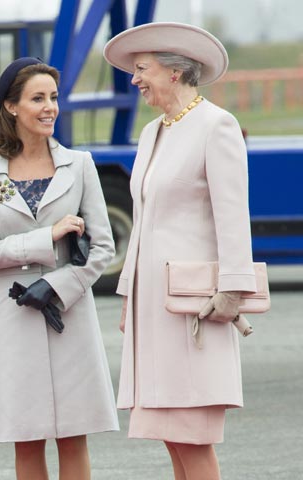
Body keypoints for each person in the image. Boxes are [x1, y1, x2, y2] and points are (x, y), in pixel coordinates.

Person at [103, 23, 257, 480]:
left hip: (196, 309)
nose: (135, 79)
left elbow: (233, 218)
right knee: (171, 434)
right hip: (154, 310)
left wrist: (233, 291)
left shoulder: (216, 125)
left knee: (193, 434)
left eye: (142, 69)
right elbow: (144, 219)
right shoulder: (152, 132)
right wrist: (129, 294)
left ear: (175, 71)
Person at [0, 57, 119, 480]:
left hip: (70, 313)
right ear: (11, 107)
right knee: (26, 438)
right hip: (14, 319)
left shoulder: (80, 165)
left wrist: (60, 284)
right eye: (38, 98)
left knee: (74, 435)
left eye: (53, 97)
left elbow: (103, 246)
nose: (50, 107)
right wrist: (48, 237)